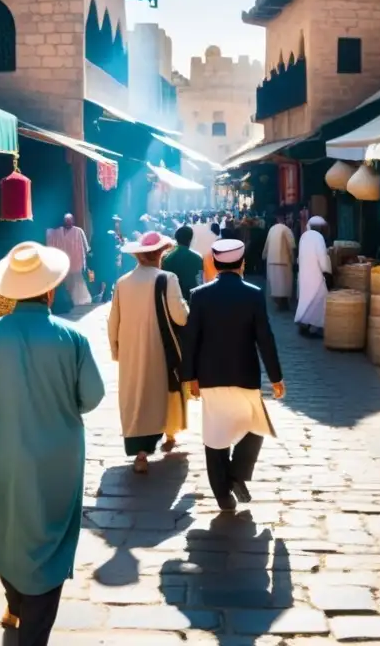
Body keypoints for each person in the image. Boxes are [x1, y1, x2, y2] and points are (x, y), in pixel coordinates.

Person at [0, 242, 105, 645]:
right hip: (61, 458)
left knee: (11, 532)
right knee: (51, 539)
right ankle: (34, 631)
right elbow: (92, 397)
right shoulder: (73, 338)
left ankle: (16, 606)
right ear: (50, 291)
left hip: (6, 457)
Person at [180, 239, 284, 511]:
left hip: (209, 375)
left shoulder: (199, 295)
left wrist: (189, 376)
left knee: (215, 436)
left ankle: (223, 496)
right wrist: (276, 376)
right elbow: (265, 338)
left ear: (214, 264)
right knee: (257, 426)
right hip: (245, 374)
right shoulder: (252, 294)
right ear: (242, 264)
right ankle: (237, 473)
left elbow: (190, 339)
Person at [108, 231, 189, 473]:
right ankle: (168, 432)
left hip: (131, 348)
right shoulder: (167, 278)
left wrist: (116, 348)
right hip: (160, 347)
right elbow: (180, 317)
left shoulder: (122, 282)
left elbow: (114, 320)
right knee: (161, 392)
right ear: (159, 254)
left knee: (135, 396)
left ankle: (140, 453)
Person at [295, 216, 331, 338]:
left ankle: (304, 323)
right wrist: (327, 270)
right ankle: (313, 327)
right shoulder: (318, 237)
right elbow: (322, 257)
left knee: (306, 299)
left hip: (305, 273)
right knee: (318, 299)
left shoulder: (304, 236)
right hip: (316, 274)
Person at [47, 213, 92, 306]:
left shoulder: (78, 231)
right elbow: (52, 236)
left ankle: (78, 300)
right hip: (64, 260)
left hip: (76, 259)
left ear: (73, 221)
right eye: (66, 220)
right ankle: (67, 300)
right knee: (65, 281)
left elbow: (84, 245)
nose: (68, 222)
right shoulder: (59, 232)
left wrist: (85, 256)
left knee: (77, 281)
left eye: (69, 220)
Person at [262, 215, 296, 310]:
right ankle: (283, 303)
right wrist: (293, 259)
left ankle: (278, 303)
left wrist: (264, 255)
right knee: (284, 285)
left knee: (275, 285)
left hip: (271, 261)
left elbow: (267, 245)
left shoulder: (272, 229)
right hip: (284, 262)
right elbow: (291, 246)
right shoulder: (287, 230)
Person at [162, 225, 204, 300]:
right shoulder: (198, 258)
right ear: (190, 239)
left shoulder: (167, 258)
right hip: (193, 299)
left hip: (173, 300)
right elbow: (200, 281)